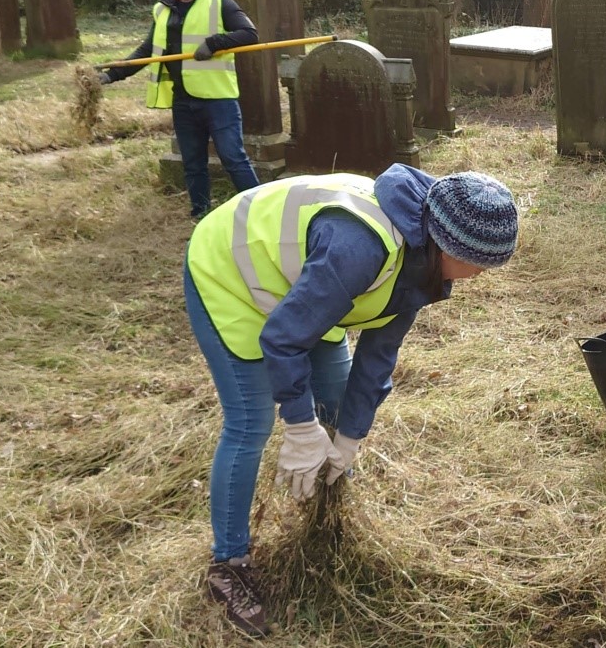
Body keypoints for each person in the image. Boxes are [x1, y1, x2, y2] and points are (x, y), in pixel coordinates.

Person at [184, 163, 519, 636]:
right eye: (479, 264)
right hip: (233, 273)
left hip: (307, 286)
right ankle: (229, 563)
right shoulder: (361, 247)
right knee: (250, 422)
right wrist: (300, 427)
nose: (482, 275)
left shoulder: (422, 257)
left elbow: (379, 353)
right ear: (447, 245)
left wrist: (350, 436)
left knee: (340, 403)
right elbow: (283, 340)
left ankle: (328, 513)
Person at [99, 0, 260, 219]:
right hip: (183, 101)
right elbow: (148, 50)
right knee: (192, 163)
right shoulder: (163, 10)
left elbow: (250, 34)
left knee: (233, 158)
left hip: (218, 99)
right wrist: (112, 74)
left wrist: (213, 43)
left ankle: (262, 208)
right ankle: (200, 213)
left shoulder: (219, 2)